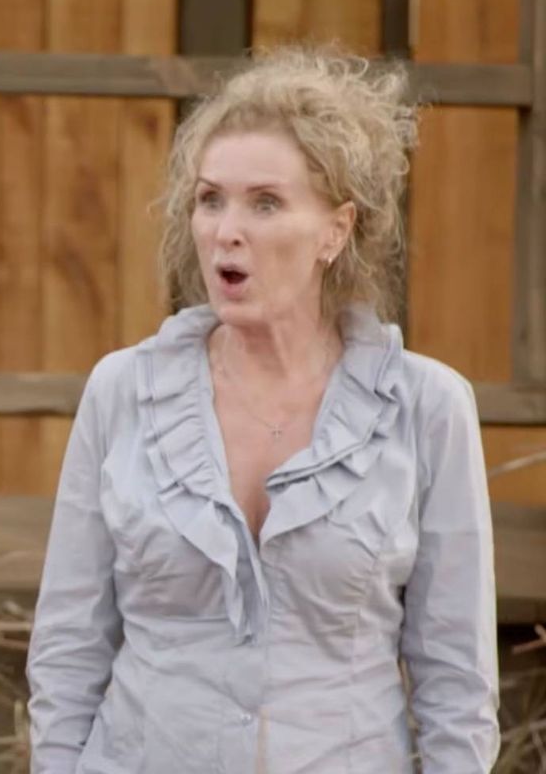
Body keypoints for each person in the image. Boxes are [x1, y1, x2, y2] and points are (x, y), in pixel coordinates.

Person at [26, 48, 499, 773]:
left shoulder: (428, 407)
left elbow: (457, 688)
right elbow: (67, 649)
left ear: (336, 232)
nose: (226, 230)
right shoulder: (122, 390)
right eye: (210, 199)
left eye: (265, 203)